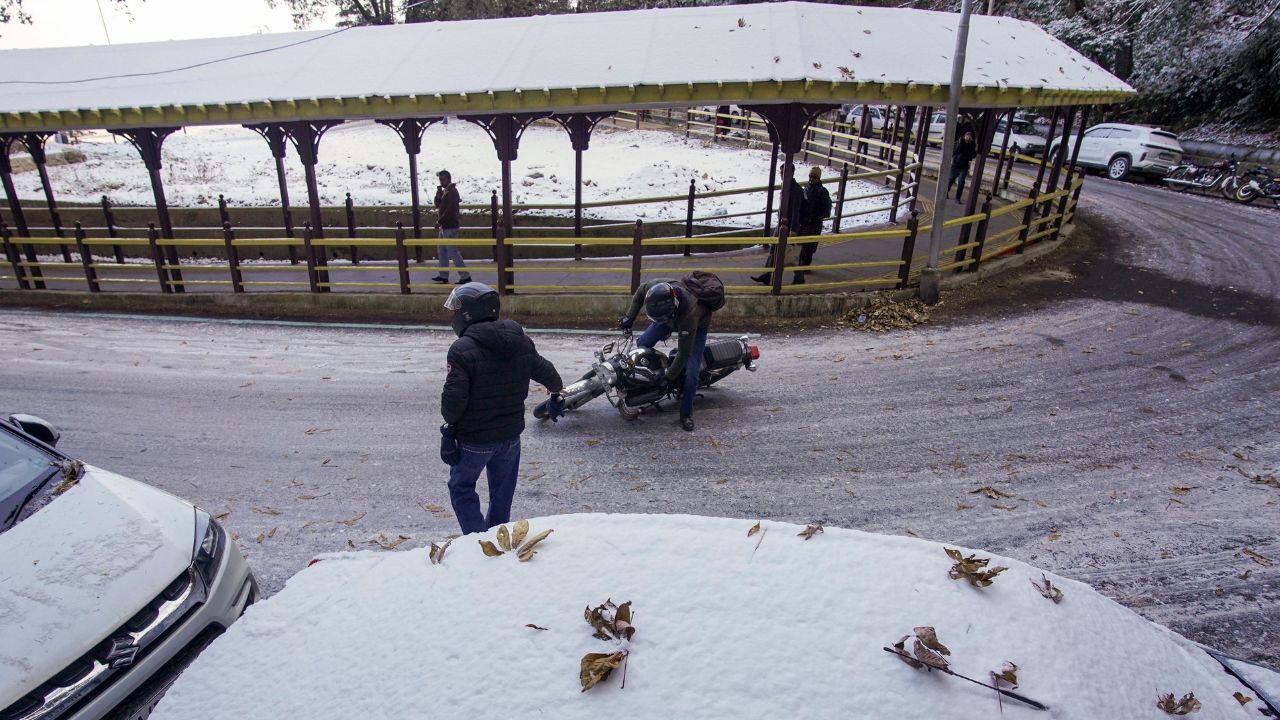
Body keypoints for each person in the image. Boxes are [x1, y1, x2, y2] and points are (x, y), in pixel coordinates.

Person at [439, 281, 563, 534]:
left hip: (474, 439)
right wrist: (555, 396)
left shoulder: (461, 349)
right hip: (510, 437)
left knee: (461, 487)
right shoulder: (521, 341)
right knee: (502, 493)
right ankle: (497, 538)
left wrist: (449, 431)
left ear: (468, 314)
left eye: (457, 310)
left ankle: (477, 541)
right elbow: (549, 374)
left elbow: (454, 401)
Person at [618, 274, 721, 432]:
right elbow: (640, 292)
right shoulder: (657, 288)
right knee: (642, 343)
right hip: (668, 318)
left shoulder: (689, 315)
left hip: (697, 325)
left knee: (691, 373)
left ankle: (686, 414)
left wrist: (668, 377)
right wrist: (629, 317)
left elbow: (684, 353)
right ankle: (649, 381)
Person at [752, 164, 806, 285]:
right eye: (781, 173)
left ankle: (799, 276)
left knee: (791, 252)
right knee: (774, 249)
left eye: (784, 173)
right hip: (781, 223)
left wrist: (793, 230)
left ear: (791, 173)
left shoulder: (796, 189)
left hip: (789, 226)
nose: (782, 175)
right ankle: (767, 274)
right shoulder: (786, 186)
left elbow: (796, 210)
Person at [794, 166, 832, 285]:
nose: (811, 179)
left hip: (814, 223)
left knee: (809, 246)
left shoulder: (823, 192)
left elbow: (826, 210)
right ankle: (801, 267)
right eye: (810, 176)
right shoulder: (806, 188)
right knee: (801, 244)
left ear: (818, 178)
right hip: (805, 222)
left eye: (814, 177)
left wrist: (815, 214)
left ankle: (804, 267)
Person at [432, 170, 472, 284]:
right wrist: (438, 194)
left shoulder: (453, 192)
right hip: (444, 226)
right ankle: (443, 275)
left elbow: (450, 210)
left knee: (452, 251)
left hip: (450, 226)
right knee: (442, 250)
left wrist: (440, 221)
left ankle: (465, 276)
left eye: (443, 180)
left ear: (449, 179)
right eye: (440, 180)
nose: (441, 182)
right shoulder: (445, 191)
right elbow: (437, 204)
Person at [947, 131, 978, 204]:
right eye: (967, 136)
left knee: (961, 182)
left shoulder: (972, 144)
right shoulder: (959, 142)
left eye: (970, 136)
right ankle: (945, 192)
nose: (968, 137)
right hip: (955, 164)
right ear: (964, 136)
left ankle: (957, 198)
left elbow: (973, 155)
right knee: (950, 179)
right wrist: (960, 143)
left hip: (964, 166)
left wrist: (971, 146)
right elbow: (955, 151)